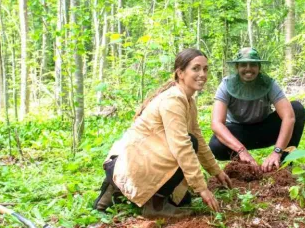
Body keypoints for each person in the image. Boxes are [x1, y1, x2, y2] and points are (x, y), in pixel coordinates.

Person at [93, 48, 233, 216]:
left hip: (139, 161)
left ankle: (118, 190)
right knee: (189, 142)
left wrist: (216, 171)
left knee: (184, 199)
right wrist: (202, 188)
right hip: (130, 163)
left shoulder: (188, 101)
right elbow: (182, 146)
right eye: (195, 68)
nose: (202, 74)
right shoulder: (173, 100)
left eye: (205, 69)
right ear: (180, 73)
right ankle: (155, 205)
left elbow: (200, 139)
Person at [209, 47, 305, 172]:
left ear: (259, 67)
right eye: (243, 64)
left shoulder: (269, 84)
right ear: (237, 67)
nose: (248, 68)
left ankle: (283, 162)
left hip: (263, 129)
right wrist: (241, 150)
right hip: (238, 131)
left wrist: (277, 151)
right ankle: (244, 165)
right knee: (216, 145)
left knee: (296, 109)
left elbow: (289, 116)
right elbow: (216, 123)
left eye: (253, 64)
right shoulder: (226, 85)